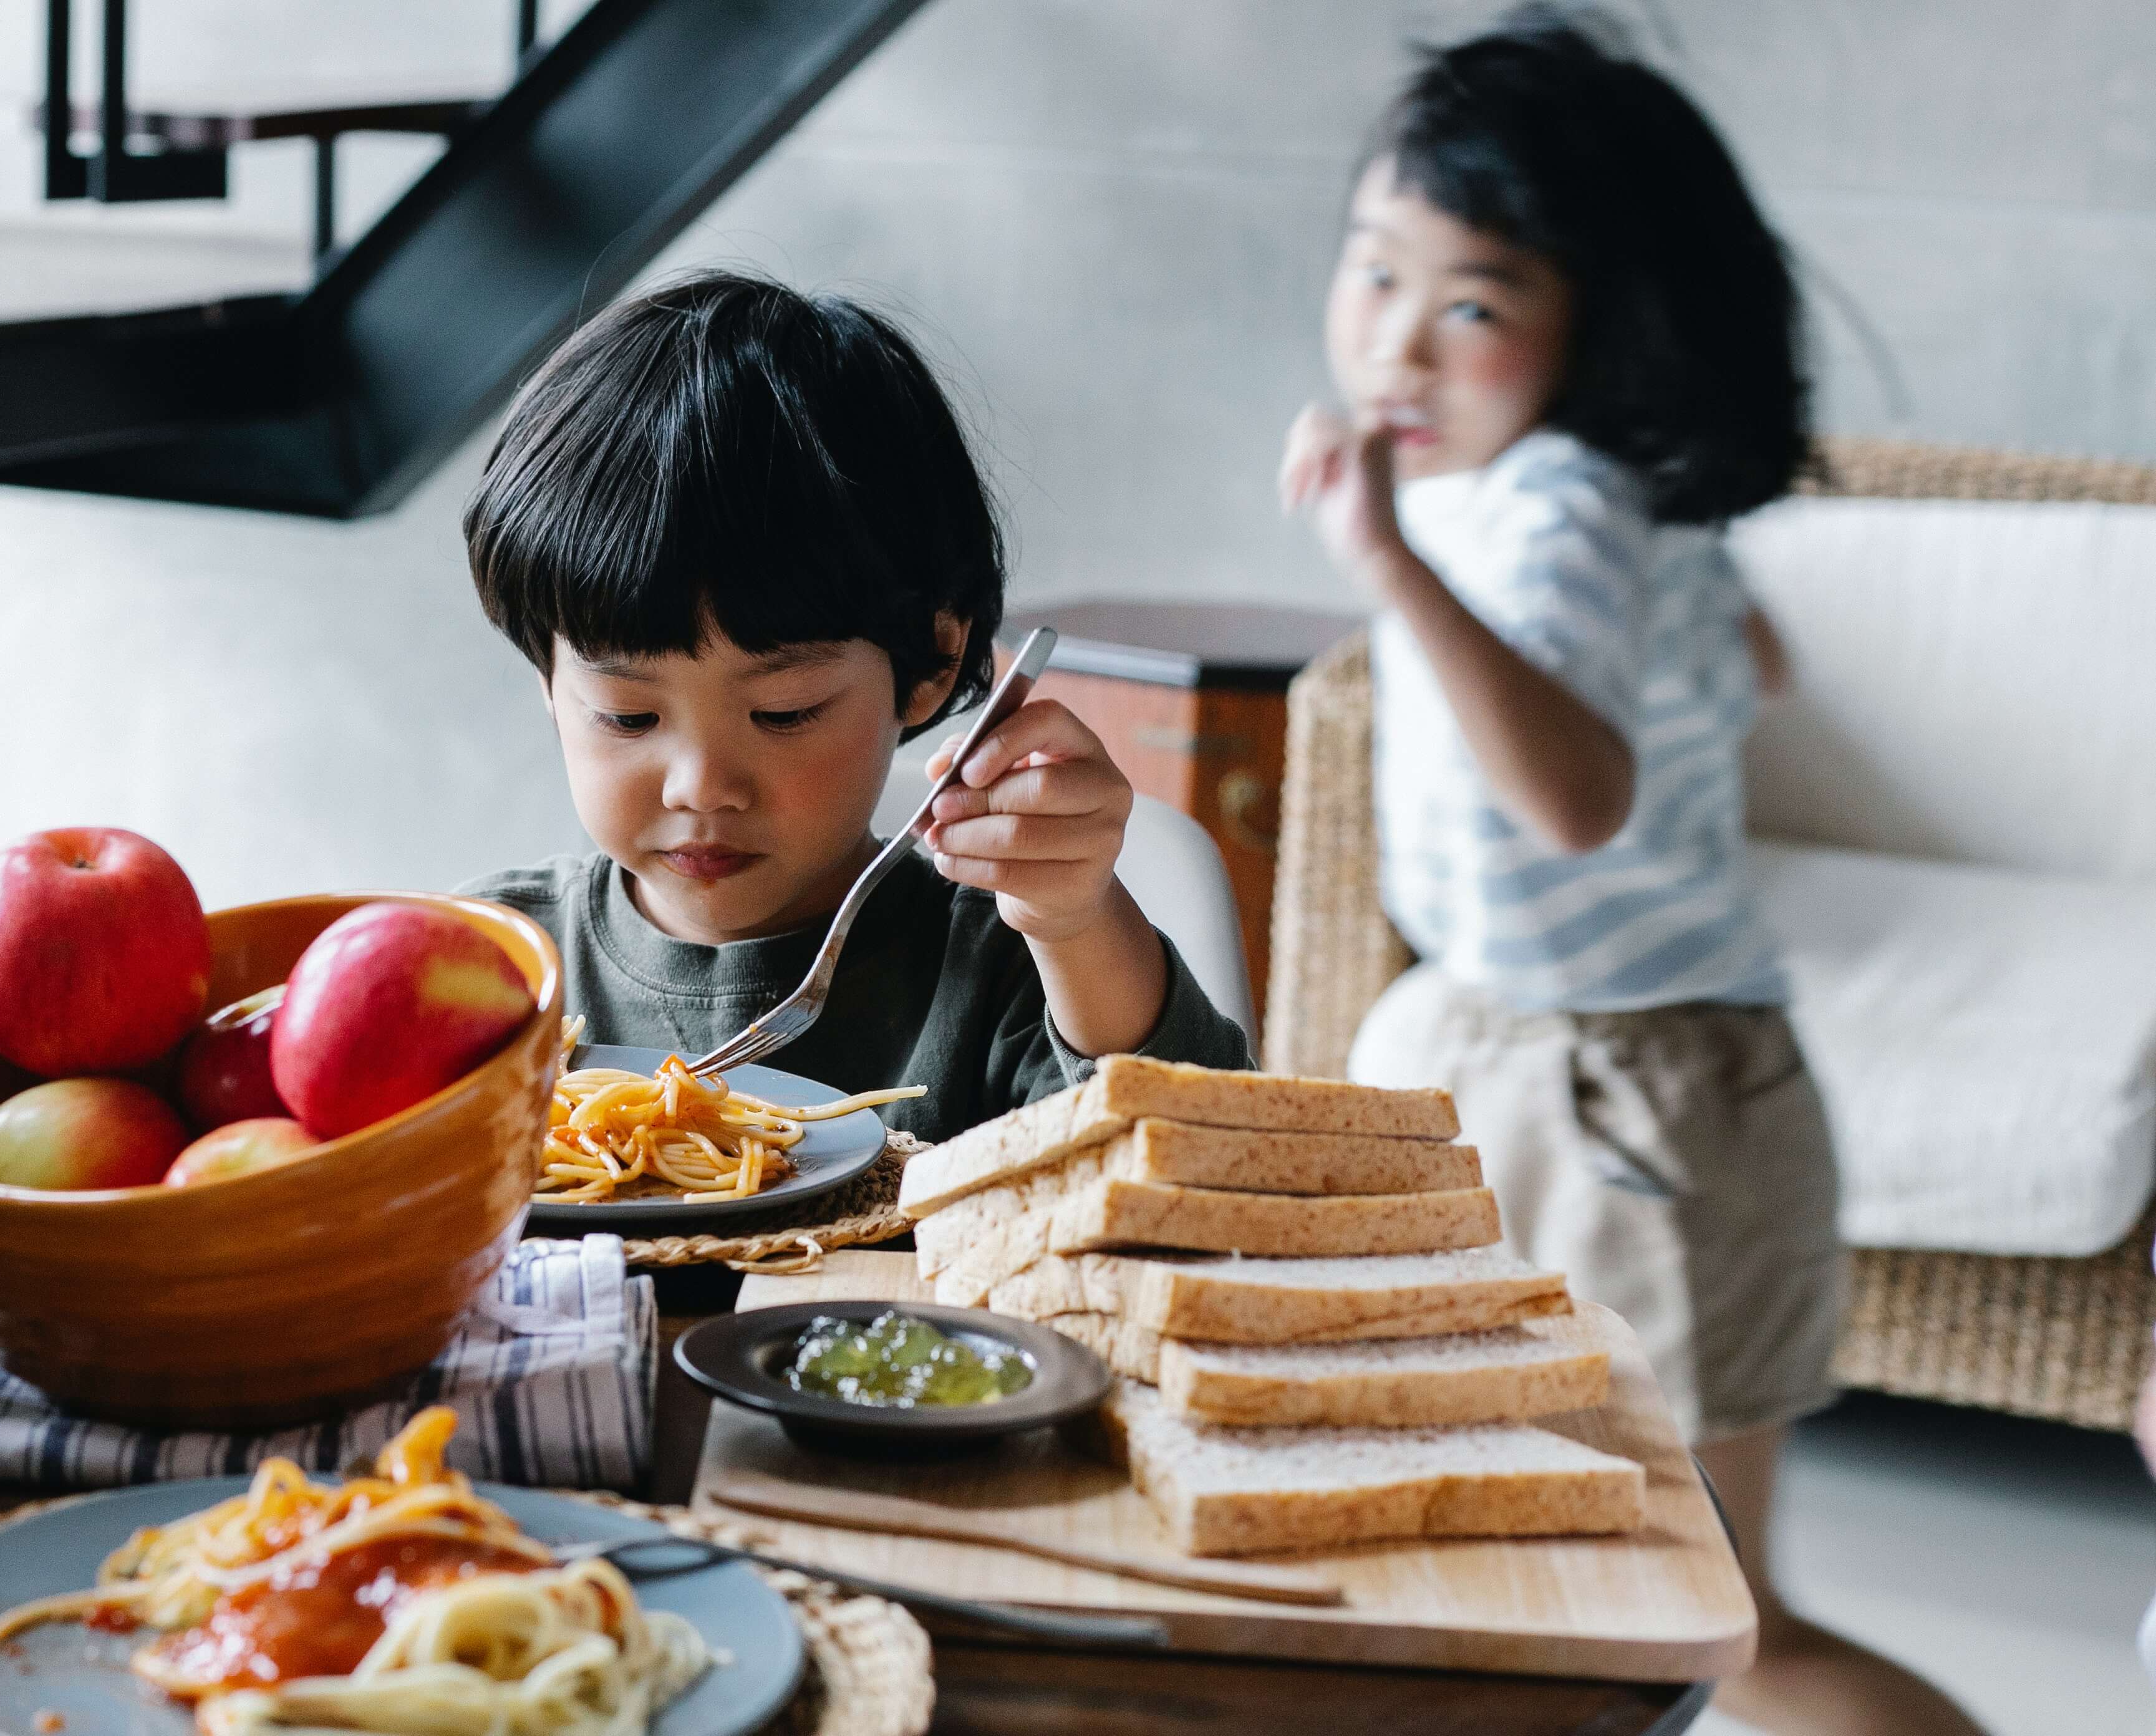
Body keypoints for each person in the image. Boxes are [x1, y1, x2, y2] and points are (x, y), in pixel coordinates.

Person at [1279, 14, 1980, 1734]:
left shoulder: (1560, 504)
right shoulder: (1545, 489)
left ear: (1600, 331)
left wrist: (1383, 562)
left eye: (1474, 305)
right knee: (1510, 1551)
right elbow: (1753, 667)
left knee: (1709, 1610)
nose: (1396, 345)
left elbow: (1577, 796)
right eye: (1374, 273)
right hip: (1509, 1045)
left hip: (1643, 1094)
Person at [458, 271, 1250, 1141]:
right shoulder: (485, 964)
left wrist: (1076, 923)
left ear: (932, 666)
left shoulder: (1001, 971)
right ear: (547, 676)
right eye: (626, 716)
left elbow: (1212, 1166)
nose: (702, 787)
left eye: (785, 712)